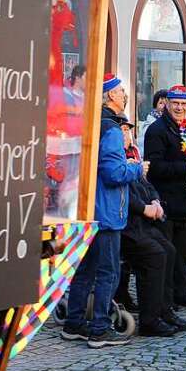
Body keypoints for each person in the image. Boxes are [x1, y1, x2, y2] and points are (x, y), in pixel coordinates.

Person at [62, 74, 144, 347]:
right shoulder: (110, 129)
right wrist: (137, 168)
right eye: (122, 91)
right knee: (108, 271)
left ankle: (74, 323)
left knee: (86, 268)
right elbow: (113, 172)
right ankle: (99, 327)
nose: (125, 95)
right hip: (107, 211)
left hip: (90, 207)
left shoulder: (94, 122)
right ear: (111, 96)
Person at [119, 116, 186, 337]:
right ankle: (149, 320)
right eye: (122, 131)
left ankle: (165, 310)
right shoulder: (116, 159)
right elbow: (122, 194)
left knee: (169, 251)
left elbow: (147, 183)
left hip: (143, 220)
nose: (126, 135)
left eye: (127, 130)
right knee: (155, 254)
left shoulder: (132, 154)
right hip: (127, 224)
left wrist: (154, 201)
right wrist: (144, 208)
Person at [144, 85, 186, 311]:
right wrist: (184, 167)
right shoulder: (157, 130)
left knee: (184, 253)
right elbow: (155, 168)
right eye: (176, 103)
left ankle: (183, 293)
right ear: (167, 104)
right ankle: (166, 300)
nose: (180, 108)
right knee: (167, 254)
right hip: (167, 200)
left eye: (184, 104)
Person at [138, 89, 168, 156]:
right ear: (155, 105)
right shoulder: (149, 125)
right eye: (161, 103)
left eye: (167, 103)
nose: (164, 106)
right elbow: (142, 148)